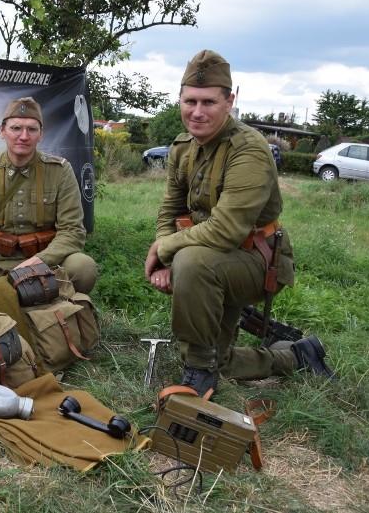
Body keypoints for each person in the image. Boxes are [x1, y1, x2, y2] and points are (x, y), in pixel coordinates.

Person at [144, 49, 336, 397]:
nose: (197, 112)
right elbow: (170, 208)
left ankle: (199, 375)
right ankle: (296, 355)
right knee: (218, 357)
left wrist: (166, 249)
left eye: (209, 102)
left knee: (191, 265)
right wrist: (163, 250)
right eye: (190, 101)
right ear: (180, 99)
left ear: (229, 101)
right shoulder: (182, 147)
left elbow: (226, 230)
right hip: (213, 259)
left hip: (256, 259)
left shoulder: (248, 150)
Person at [0, 96, 99, 308]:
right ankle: (36, 301)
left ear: (41, 134)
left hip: (47, 262)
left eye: (32, 129)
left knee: (84, 268)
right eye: (16, 128)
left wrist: (38, 263)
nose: (24, 136)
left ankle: (42, 300)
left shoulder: (60, 171)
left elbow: (73, 231)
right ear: (2, 131)